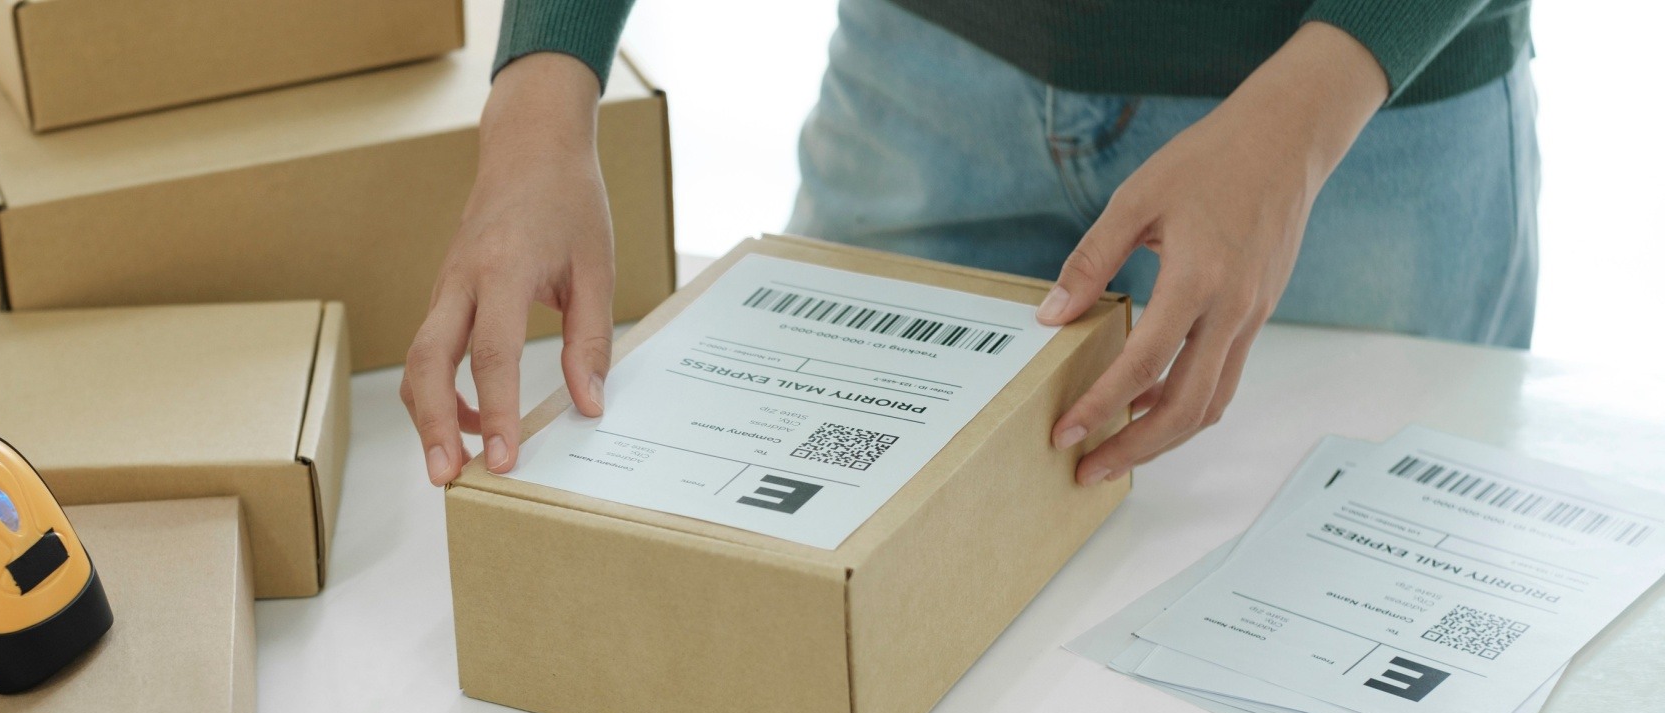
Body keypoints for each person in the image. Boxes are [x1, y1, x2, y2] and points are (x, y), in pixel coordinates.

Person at [402, 0, 1535, 487]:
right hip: (924, 81)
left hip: (1347, 112)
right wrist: (541, 101)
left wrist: (1299, 127)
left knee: (1329, 701)